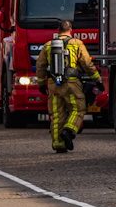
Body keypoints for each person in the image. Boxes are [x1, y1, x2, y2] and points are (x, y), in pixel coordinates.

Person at [35, 19, 98, 153]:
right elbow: (87, 64)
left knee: (57, 114)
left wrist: (41, 83)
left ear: (58, 31)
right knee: (78, 108)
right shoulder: (77, 43)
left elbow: (40, 66)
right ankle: (69, 130)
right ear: (71, 30)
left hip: (53, 84)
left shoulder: (48, 45)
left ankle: (58, 144)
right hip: (72, 83)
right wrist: (97, 78)